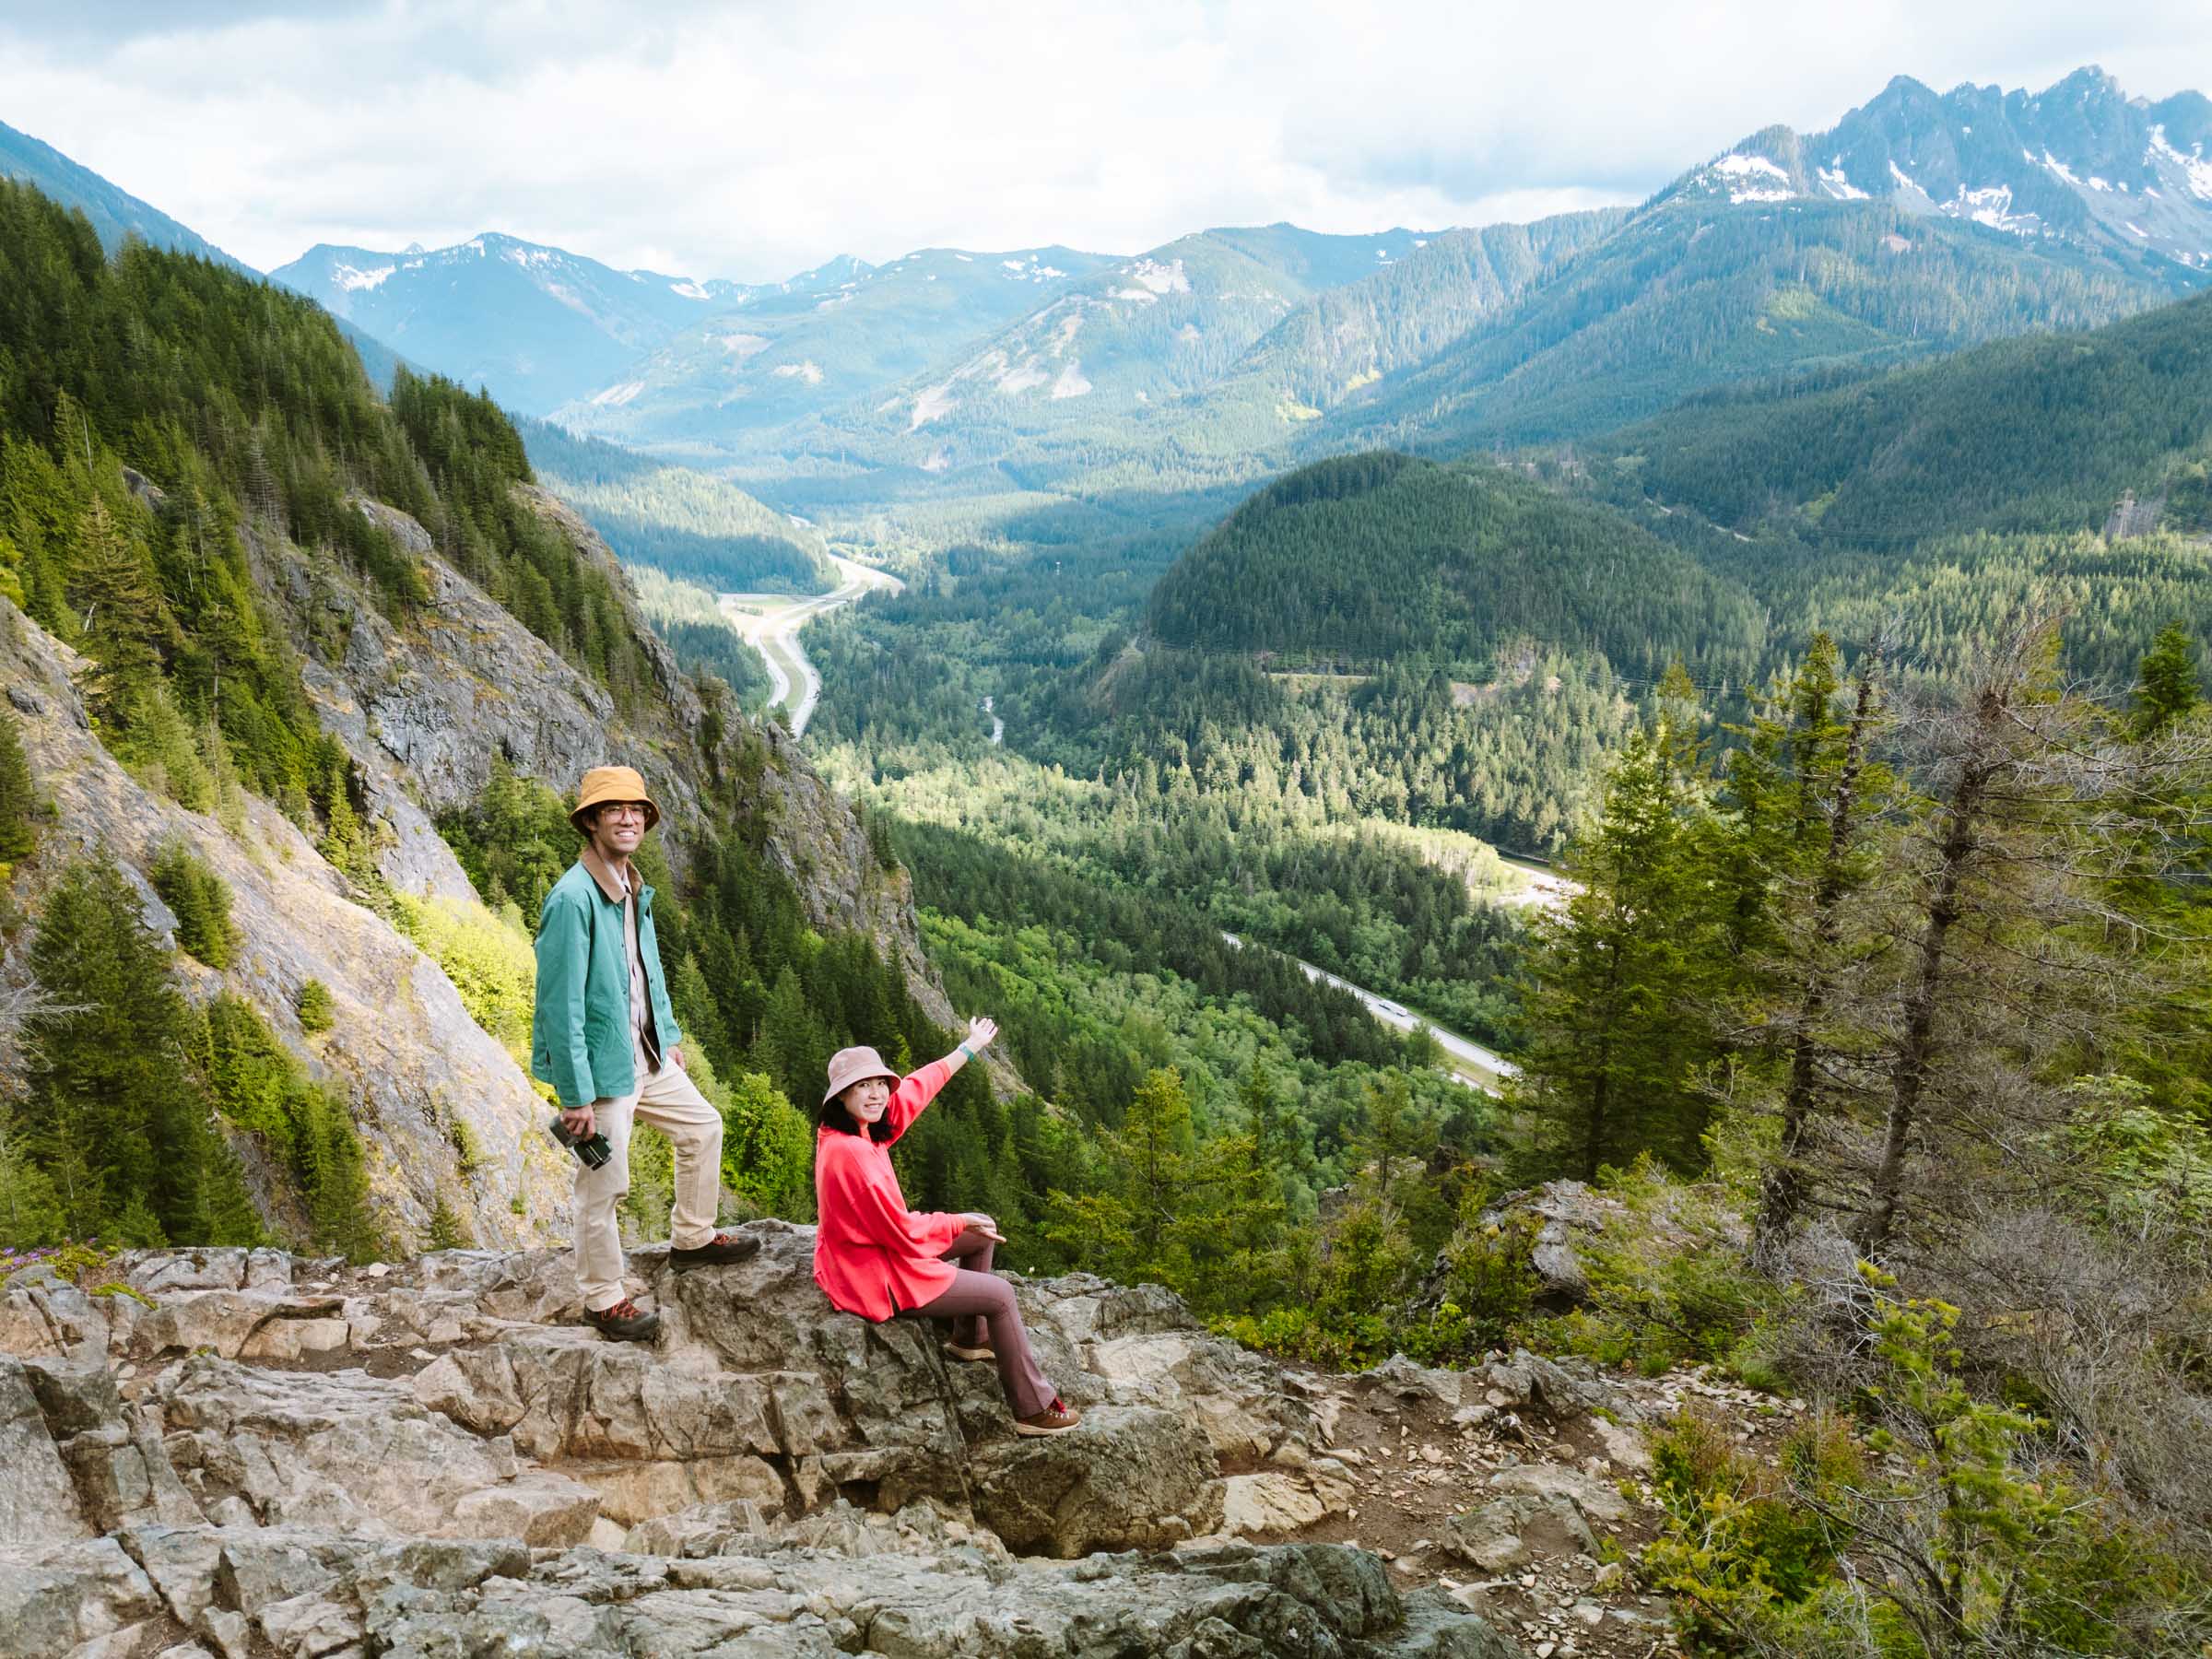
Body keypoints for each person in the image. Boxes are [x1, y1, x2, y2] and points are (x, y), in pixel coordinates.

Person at [531, 765, 755, 1342]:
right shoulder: (573, 899)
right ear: (591, 822)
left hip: (646, 1055)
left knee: (703, 1126)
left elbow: (645, 972)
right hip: (604, 1073)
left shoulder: (631, 885)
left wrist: (670, 1035)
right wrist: (575, 1096)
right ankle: (602, 1299)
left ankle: (693, 1239)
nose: (628, 818)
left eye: (637, 810)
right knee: (605, 1185)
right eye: (614, 810)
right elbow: (561, 1009)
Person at [812, 1019, 1080, 1435]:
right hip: (875, 1274)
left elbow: (918, 1088)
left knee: (982, 1228)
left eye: (880, 1084)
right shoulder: (853, 1155)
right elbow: (902, 1233)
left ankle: (969, 1339)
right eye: (862, 1087)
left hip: (865, 1255)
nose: (876, 1094)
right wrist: (956, 1221)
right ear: (842, 1096)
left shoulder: (860, 1131)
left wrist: (969, 1047)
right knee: (1001, 1295)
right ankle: (1032, 1409)